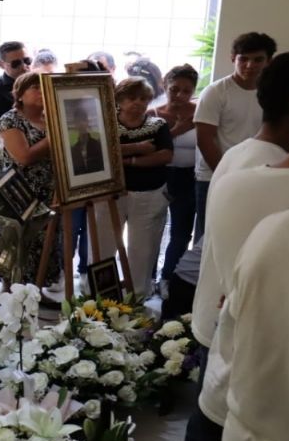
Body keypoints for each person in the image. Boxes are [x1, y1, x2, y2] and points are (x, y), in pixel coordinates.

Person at [180, 52, 289, 441]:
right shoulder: (278, 184)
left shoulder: (247, 165)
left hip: (232, 349)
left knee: (204, 440)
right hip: (256, 370)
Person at [93, 77, 173, 299]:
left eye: (143, 98)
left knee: (143, 249)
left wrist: (126, 160)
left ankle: (137, 295)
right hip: (109, 194)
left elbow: (165, 155)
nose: (137, 103)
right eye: (131, 97)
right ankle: (101, 295)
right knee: (103, 245)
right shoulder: (106, 123)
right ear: (119, 99)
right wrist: (139, 149)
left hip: (149, 193)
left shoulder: (158, 124)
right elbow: (102, 153)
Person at [193, 32, 277, 241]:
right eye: (244, 59)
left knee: (245, 236)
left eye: (258, 59)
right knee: (209, 238)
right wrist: (226, 173)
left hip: (256, 176)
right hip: (214, 176)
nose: (250, 65)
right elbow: (205, 139)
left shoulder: (273, 94)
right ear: (233, 58)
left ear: (269, 61)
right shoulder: (216, 92)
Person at [0, 72, 61, 290]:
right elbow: (22, 157)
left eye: (45, 88)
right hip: (20, 193)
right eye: (36, 88)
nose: (42, 93)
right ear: (20, 94)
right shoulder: (10, 120)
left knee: (46, 243)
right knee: (19, 243)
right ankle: (11, 292)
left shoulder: (52, 117)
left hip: (50, 192)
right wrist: (52, 139)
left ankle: (37, 291)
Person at [154, 64, 199, 297]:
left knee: (181, 232)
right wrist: (178, 129)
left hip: (189, 176)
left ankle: (168, 276)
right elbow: (151, 147)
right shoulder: (153, 114)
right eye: (174, 89)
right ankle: (146, 277)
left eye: (186, 91)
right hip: (159, 175)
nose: (180, 95)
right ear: (165, 86)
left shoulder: (201, 111)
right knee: (152, 228)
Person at [0, 41, 31, 139]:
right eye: (16, 63)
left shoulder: (39, 84)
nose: (24, 66)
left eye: (27, 60)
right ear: (1, 64)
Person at [69, 107, 105, 175]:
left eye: (83, 120)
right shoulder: (73, 150)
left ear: (87, 122)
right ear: (75, 124)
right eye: (78, 121)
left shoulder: (97, 145)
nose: (81, 124)